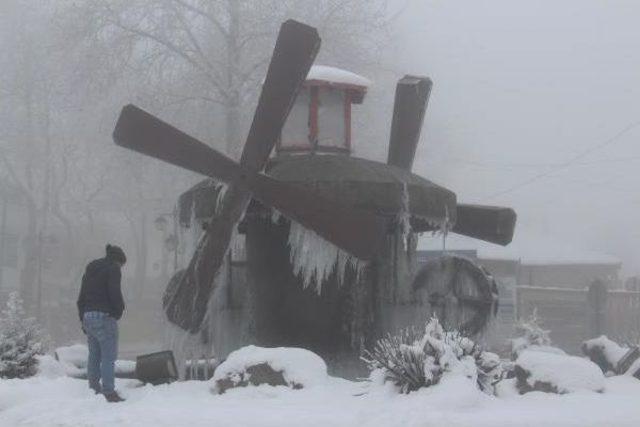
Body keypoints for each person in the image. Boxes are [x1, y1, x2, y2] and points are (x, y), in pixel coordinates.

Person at [77, 244, 127, 403]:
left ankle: (93, 388)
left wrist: (83, 319)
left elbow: (81, 298)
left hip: (88, 316)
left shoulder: (90, 270)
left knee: (94, 355)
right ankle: (109, 392)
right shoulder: (113, 268)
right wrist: (118, 310)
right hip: (104, 317)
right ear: (118, 261)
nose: (121, 268)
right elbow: (114, 292)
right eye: (122, 265)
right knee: (108, 357)